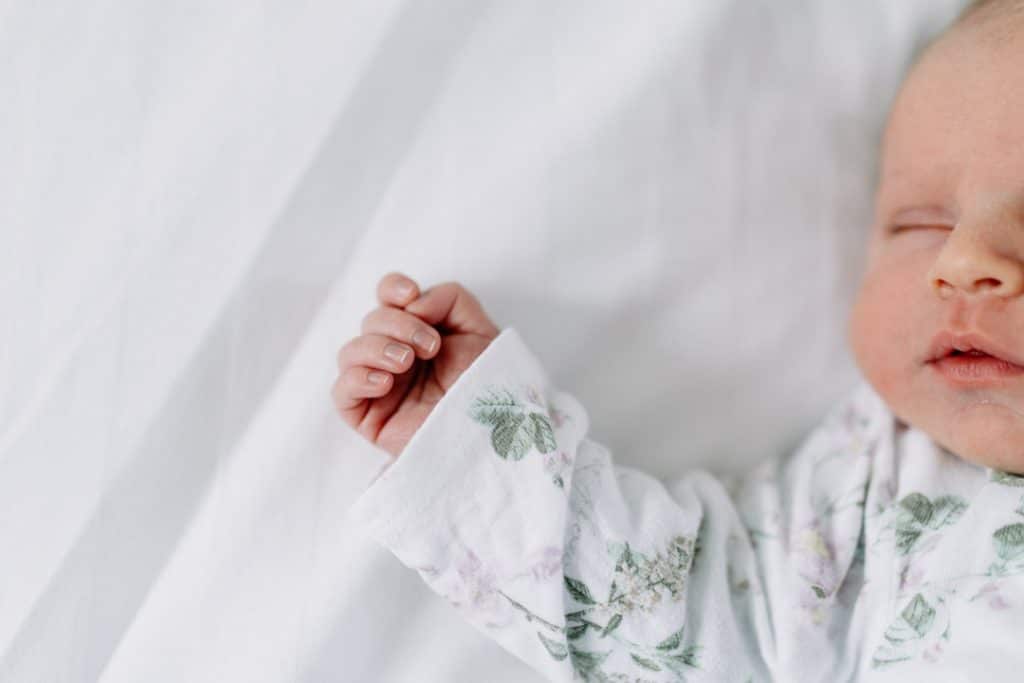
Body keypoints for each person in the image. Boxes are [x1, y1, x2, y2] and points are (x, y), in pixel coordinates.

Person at [334, 1, 1024, 680]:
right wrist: (481, 436)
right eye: (920, 224)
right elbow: (684, 616)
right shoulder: (876, 492)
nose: (963, 262)